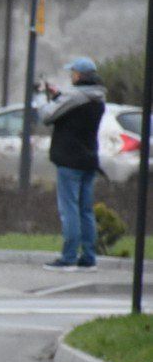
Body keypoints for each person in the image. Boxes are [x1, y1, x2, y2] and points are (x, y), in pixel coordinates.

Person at [40, 56, 108, 271]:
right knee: (85, 210)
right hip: (89, 159)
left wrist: (46, 100)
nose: (71, 76)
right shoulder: (98, 97)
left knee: (69, 208)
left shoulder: (76, 96)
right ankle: (88, 257)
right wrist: (59, 96)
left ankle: (68, 257)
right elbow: (74, 114)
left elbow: (47, 115)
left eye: (73, 73)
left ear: (79, 75)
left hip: (69, 160)